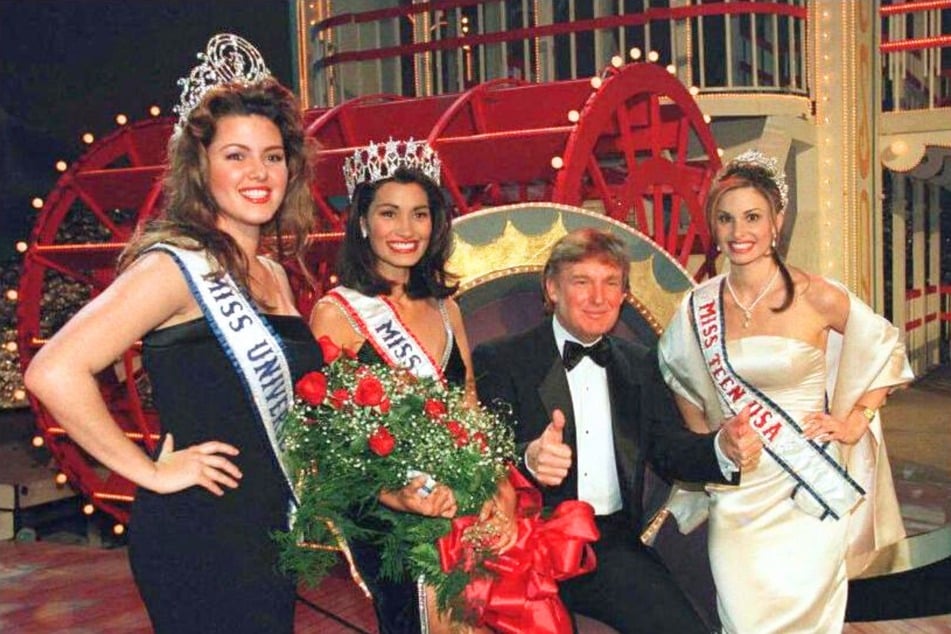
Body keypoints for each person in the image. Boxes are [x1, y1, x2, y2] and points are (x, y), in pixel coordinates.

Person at [24, 34, 319, 633]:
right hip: (201, 533)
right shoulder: (174, 267)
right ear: (200, 166)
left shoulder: (271, 273)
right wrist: (152, 472)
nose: (258, 172)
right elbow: (53, 371)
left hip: (265, 531)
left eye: (272, 155)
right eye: (235, 155)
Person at [657, 149, 914, 633]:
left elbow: (884, 346)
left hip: (807, 489)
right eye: (726, 219)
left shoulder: (816, 294)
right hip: (739, 495)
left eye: (753, 216)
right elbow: (678, 376)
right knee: (744, 617)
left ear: (778, 220)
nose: (739, 232)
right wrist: (712, 448)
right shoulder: (697, 306)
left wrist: (854, 420)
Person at [472, 227, 759, 634]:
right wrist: (527, 459)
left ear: (624, 294)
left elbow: (669, 449)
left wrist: (722, 448)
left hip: (607, 544)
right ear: (552, 288)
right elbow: (479, 457)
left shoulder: (639, 363)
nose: (598, 297)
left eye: (611, 283)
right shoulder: (501, 359)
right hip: (526, 545)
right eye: (581, 282)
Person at [309, 138, 517, 633]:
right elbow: (330, 444)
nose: (406, 230)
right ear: (362, 222)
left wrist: (497, 487)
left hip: (457, 494)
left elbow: (468, 404)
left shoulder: (448, 309)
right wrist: (397, 492)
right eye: (389, 214)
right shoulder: (338, 314)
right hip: (386, 511)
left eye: (419, 214)